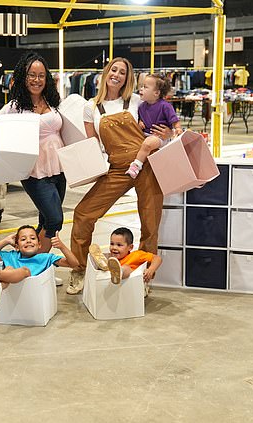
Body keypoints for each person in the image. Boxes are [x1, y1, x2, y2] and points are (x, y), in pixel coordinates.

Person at [67, 57, 173, 295]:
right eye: (114, 70)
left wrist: (166, 133)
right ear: (106, 72)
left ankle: (144, 276)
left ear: (128, 78)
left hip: (147, 165)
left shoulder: (136, 100)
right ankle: (79, 268)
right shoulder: (91, 107)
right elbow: (92, 144)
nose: (117, 75)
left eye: (123, 72)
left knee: (150, 223)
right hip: (117, 168)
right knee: (83, 213)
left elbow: (162, 119)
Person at [0, 52, 65, 254]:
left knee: (46, 220)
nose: (37, 80)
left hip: (59, 168)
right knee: (55, 219)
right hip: (33, 172)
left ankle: (35, 262)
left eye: (41, 75)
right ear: (23, 77)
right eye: (32, 75)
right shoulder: (14, 107)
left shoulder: (53, 102)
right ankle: (38, 262)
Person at [0, 225, 79, 307]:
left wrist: (62, 246)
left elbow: (74, 264)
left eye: (33, 238)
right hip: (12, 287)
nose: (29, 241)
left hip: (31, 293)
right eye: (23, 239)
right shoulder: (12, 255)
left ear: (39, 244)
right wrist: (6, 240)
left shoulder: (46, 257)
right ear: (17, 246)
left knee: (24, 270)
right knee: (9, 268)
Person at [127, 74, 183, 178]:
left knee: (147, 144)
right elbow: (140, 118)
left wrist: (178, 129)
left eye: (145, 87)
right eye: (141, 86)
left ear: (156, 93)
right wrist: (140, 122)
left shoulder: (165, 106)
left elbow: (175, 120)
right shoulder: (142, 106)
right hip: (146, 134)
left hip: (160, 137)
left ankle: (136, 166)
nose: (141, 89)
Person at [88, 227, 163, 297]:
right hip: (113, 287)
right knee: (105, 269)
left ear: (130, 247)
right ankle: (103, 265)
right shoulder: (111, 258)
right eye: (112, 244)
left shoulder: (136, 255)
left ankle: (117, 271)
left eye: (119, 245)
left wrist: (150, 270)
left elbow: (157, 258)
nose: (114, 247)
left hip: (131, 283)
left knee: (125, 268)